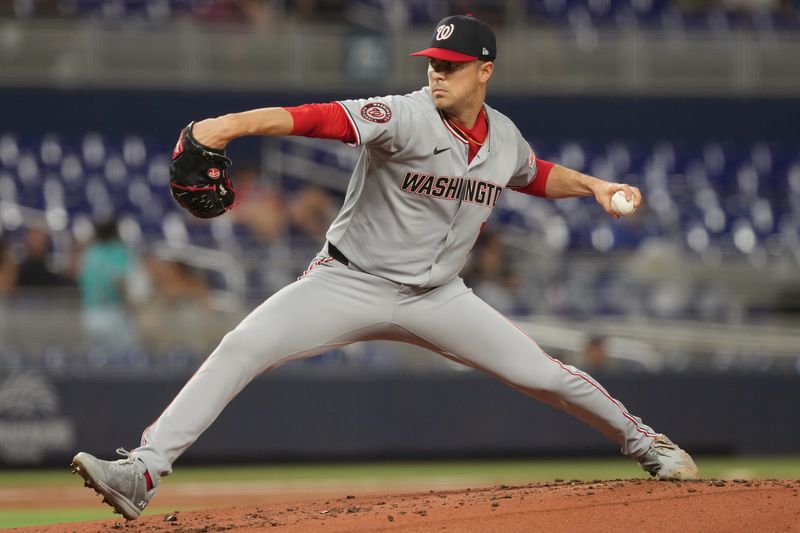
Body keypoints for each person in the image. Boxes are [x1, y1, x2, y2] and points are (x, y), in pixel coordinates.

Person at [71, 15, 698, 521]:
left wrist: (594, 187)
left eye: (451, 67)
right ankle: (142, 470)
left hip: (439, 296)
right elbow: (313, 118)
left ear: (485, 71)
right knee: (241, 346)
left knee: (543, 375)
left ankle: (650, 446)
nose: (437, 76)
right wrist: (228, 125)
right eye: (432, 64)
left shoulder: (504, 136)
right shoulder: (402, 115)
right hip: (347, 280)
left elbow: (532, 174)